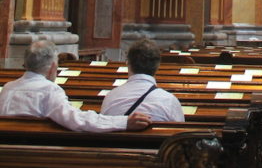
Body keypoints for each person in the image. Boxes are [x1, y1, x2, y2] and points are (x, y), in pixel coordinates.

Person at [0, 38, 151, 132]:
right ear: (53, 67)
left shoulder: (7, 88)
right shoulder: (49, 90)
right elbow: (78, 121)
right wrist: (124, 121)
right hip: (34, 157)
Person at [101, 38, 185, 122]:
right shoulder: (170, 102)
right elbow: (179, 132)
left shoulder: (110, 97)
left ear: (128, 63)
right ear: (157, 66)